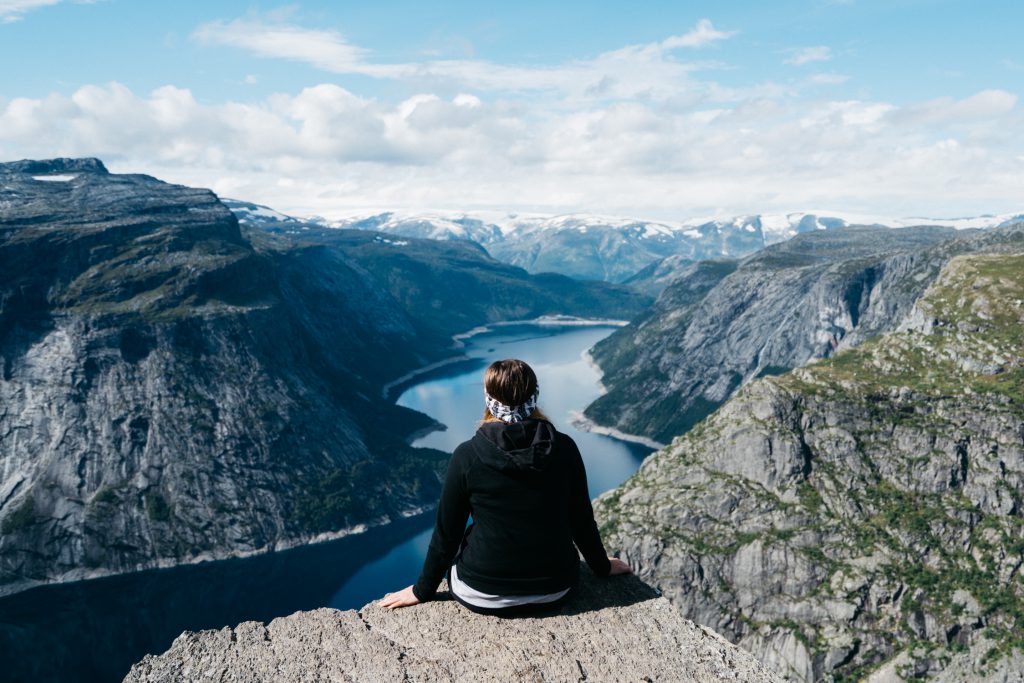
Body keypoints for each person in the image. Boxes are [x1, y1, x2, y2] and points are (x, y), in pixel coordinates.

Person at [379, 358, 630, 615]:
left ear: (488, 400)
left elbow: (447, 534)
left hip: (482, 592)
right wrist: (601, 566)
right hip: (555, 587)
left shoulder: (467, 456)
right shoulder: (564, 448)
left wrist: (422, 590)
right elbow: (581, 520)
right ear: (535, 396)